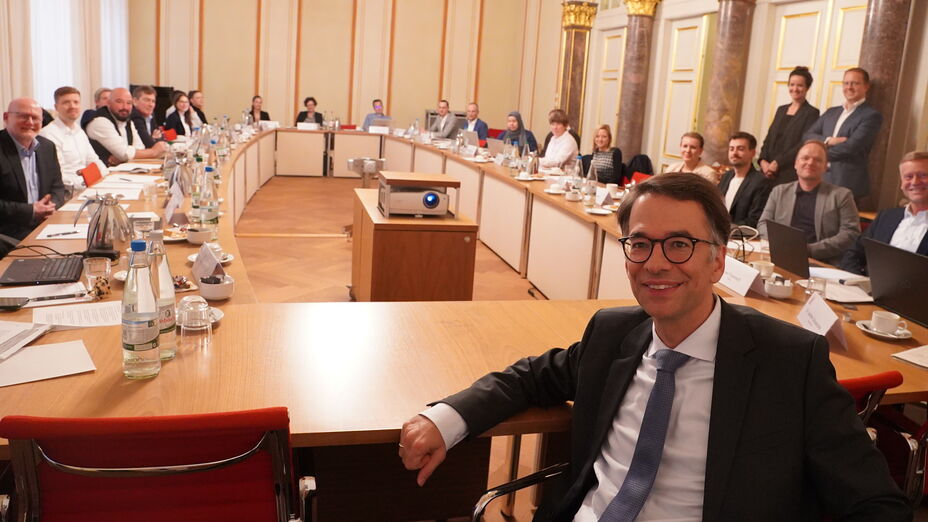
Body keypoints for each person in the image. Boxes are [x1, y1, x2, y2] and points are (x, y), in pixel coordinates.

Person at [399, 172, 908, 521]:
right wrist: (445, 419)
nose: (656, 263)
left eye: (680, 244)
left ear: (718, 261)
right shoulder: (613, 334)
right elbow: (533, 375)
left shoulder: (788, 362)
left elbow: (875, 503)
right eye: (640, 243)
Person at [758, 140, 860, 266]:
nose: (810, 163)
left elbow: (850, 233)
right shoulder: (779, 191)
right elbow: (763, 224)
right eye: (805, 158)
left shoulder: (842, 196)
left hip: (822, 263)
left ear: (825, 166)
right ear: (795, 163)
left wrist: (809, 250)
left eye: (817, 160)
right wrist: (781, 244)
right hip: (780, 257)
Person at [840, 151, 928, 275]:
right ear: (902, 184)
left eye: (923, 175)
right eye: (908, 177)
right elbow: (852, 255)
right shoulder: (886, 217)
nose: (915, 182)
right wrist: (860, 284)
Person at [803, 67, 883, 198]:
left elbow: (851, 148)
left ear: (866, 86)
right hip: (818, 179)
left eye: (855, 83)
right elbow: (807, 136)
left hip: (846, 182)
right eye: (846, 83)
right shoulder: (831, 112)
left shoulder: (871, 116)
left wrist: (816, 157)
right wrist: (829, 140)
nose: (849, 87)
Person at [0, 98, 66, 248]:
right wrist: (31, 211)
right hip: (8, 231)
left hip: (44, 225)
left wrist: (50, 207)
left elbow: (57, 187)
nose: (30, 122)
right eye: (23, 116)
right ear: (6, 117)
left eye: (35, 118)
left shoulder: (47, 147)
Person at [758, 66, 820, 186]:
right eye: (792, 84)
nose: (795, 89)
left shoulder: (812, 113)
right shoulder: (781, 110)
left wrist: (778, 163)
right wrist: (762, 161)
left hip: (788, 171)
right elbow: (769, 138)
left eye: (800, 85)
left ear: (807, 88)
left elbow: (802, 144)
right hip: (766, 170)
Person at [39, 86, 107, 188]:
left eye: (76, 102)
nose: (72, 106)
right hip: (69, 192)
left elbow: (93, 161)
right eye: (66, 102)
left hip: (88, 186)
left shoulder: (79, 131)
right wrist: (88, 183)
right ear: (56, 107)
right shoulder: (48, 135)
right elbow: (57, 175)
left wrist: (106, 176)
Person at [85, 87, 168, 166]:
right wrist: (154, 151)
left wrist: (127, 155)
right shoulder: (100, 122)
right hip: (105, 174)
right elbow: (124, 153)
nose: (125, 107)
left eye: (129, 103)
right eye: (119, 102)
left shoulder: (128, 121)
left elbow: (139, 147)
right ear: (109, 103)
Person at [718, 132, 772, 228]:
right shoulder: (726, 176)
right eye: (731, 149)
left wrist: (728, 228)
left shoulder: (761, 182)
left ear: (752, 153)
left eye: (740, 149)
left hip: (742, 238)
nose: (734, 153)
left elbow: (755, 219)